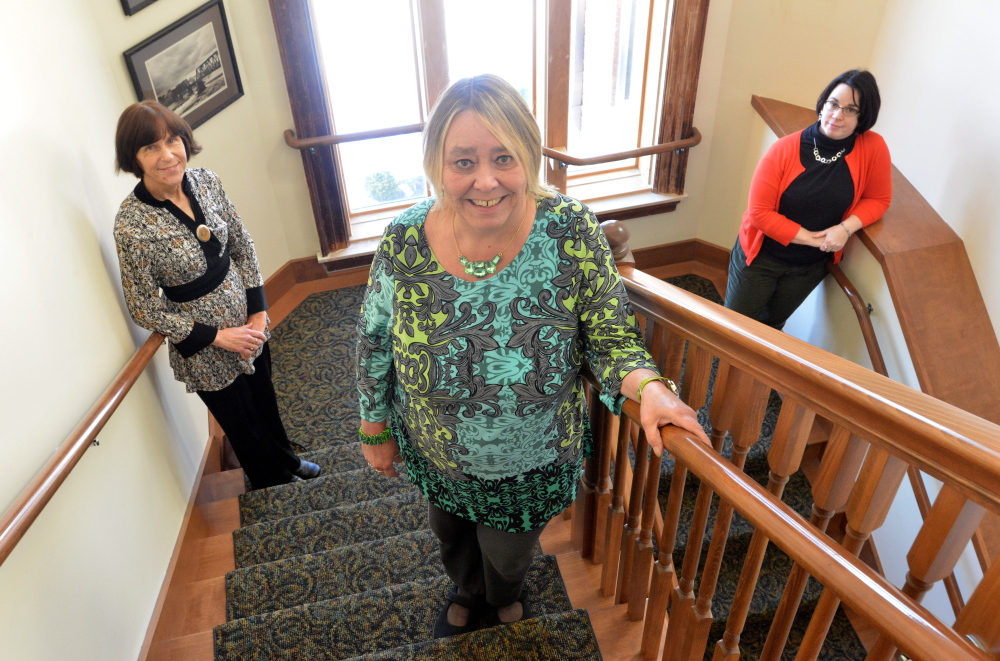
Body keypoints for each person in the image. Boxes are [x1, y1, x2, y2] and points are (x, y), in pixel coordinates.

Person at [355, 74, 710, 639]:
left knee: (509, 553)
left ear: (529, 156)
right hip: (436, 445)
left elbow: (611, 334)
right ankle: (465, 590)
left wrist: (650, 387)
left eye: (503, 157)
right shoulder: (403, 239)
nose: (485, 180)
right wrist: (375, 425)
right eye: (463, 161)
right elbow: (375, 338)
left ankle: (503, 595)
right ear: (436, 164)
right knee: (449, 534)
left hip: (531, 458)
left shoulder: (570, 230)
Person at [113, 101, 320, 490]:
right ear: (133, 159)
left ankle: (287, 461)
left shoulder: (207, 180)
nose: (168, 155)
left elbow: (242, 242)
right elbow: (142, 305)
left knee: (265, 399)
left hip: (248, 321)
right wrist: (218, 336)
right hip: (205, 343)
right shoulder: (131, 225)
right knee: (241, 421)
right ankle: (268, 480)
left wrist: (258, 312)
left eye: (172, 140)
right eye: (150, 148)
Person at [724, 69, 892, 330]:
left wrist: (845, 229)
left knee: (772, 326)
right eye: (833, 104)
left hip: (809, 268)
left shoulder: (873, 147)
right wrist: (817, 239)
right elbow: (759, 213)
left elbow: (878, 199)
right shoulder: (783, 150)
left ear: (864, 116)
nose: (836, 115)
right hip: (761, 260)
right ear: (823, 103)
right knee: (734, 327)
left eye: (851, 109)